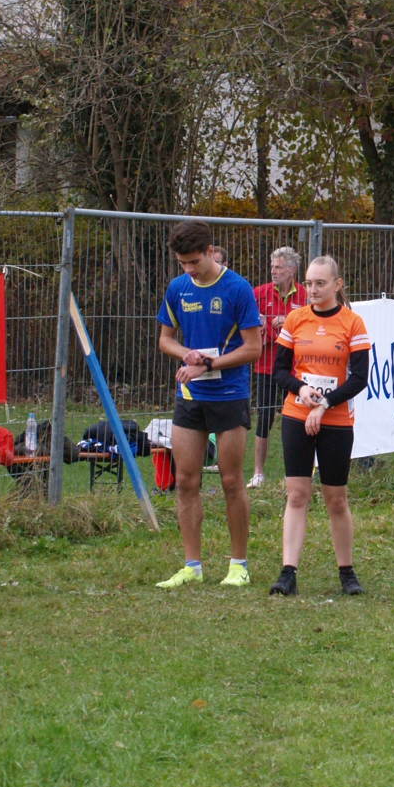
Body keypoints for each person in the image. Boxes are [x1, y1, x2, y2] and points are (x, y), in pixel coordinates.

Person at [154, 219, 263, 589]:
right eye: (182, 263)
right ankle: (192, 566)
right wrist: (186, 354)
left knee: (231, 481)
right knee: (186, 481)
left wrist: (210, 364)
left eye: (194, 262)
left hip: (229, 395)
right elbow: (165, 340)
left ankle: (238, 565)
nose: (189, 269)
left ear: (210, 252)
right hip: (190, 397)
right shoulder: (178, 288)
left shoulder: (238, 289)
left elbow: (253, 348)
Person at [266, 256, 373, 597]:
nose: (312, 289)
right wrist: (301, 389)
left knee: (336, 498)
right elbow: (279, 371)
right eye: (309, 283)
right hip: (297, 416)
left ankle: (347, 572)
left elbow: (360, 378)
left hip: (336, 420)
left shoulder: (352, 323)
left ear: (337, 285)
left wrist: (325, 403)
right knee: (297, 494)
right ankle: (288, 572)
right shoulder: (296, 319)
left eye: (320, 283)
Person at [250, 245, 306, 489]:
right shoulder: (259, 293)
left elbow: (309, 328)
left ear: (292, 270)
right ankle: (258, 473)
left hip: (295, 369)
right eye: (272, 267)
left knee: (295, 419)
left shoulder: (304, 296)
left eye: (279, 267)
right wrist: (268, 328)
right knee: (264, 418)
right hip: (266, 366)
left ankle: (294, 472)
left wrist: (288, 322)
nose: (274, 271)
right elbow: (252, 327)